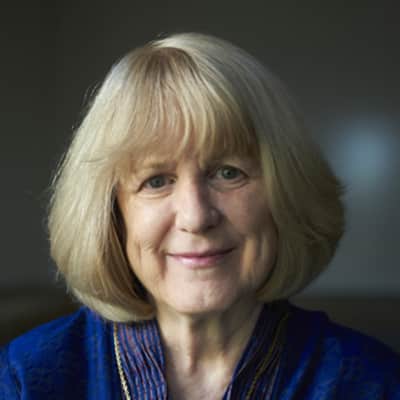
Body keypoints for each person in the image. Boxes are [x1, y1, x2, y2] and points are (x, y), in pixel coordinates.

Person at [1, 32, 399, 400]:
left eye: (228, 173)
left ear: (284, 194)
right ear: (113, 214)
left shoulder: (371, 382)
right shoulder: (26, 379)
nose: (196, 217)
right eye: (156, 181)